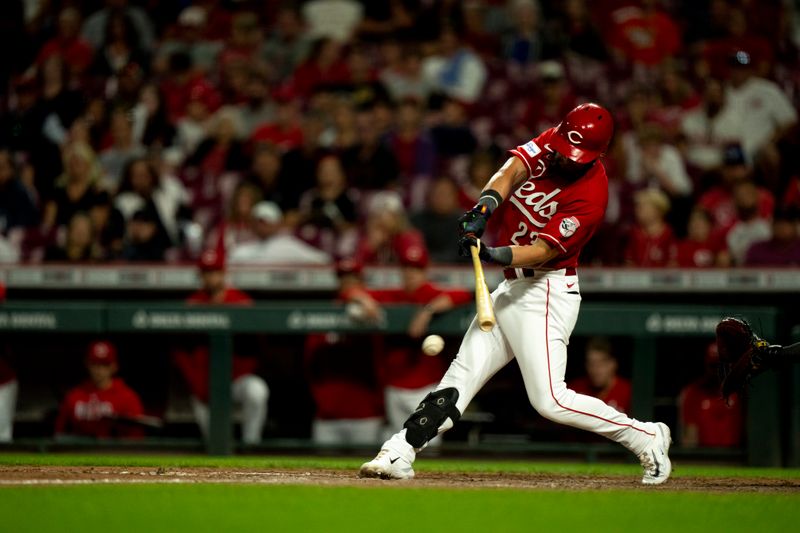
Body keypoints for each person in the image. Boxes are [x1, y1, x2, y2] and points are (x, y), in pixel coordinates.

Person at [359, 103, 672, 485]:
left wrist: (494, 253)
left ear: (599, 153)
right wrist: (484, 207)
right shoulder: (552, 143)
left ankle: (645, 435)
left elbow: (543, 251)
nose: (564, 157)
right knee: (460, 378)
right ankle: (399, 451)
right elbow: (511, 171)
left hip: (546, 291)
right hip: (512, 287)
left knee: (550, 401)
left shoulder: (592, 193)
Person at [344, 240, 472, 445]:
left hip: (427, 388)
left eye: (416, 268)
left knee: (429, 445)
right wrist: (364, 300)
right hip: (394, 386)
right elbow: (349, 292)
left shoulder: (430, 293)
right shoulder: (393, 295)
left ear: (424, 271)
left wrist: (427, 311)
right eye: (407, 268)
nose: (410, 273)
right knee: (399, 443)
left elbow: (463, 294)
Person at [172, 249, 269, 444]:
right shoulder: (192, 304)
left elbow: (257, 347)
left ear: (224, 273)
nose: (210, 277)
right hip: (203, 385)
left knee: (257, 390)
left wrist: (239, 373)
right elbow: (180, 352)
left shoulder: (241, 302)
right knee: (216, 446)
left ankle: (252, 445)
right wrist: (198, 384)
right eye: (206, 272)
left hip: (236, 381)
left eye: (214, 271)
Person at [55, 341, 145, 439]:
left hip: (115, 452)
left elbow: (137, 438)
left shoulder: (128, 397)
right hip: (81, 452)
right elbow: (59, 434)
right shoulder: (74, 396)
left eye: (104, 365)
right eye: (94, 364)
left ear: (114, 366)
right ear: (87, 364)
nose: (99, 370)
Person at [679, 343, 743, 448]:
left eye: (720, 365)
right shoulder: (693, 393)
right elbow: (690, 435)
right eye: (713, 366)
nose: (716, 371)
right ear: (706, 365)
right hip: (706, 457)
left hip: (735, 458)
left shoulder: (738, 391)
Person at [228, 201, 331, 265]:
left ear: (277, 223)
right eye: (258, 222)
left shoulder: (288, 245)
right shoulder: (242, 250)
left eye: (266, 222)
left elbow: (323, 260)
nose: (262, 226)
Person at [568, 337, 632, 415]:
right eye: (591, 363)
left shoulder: (627, 391)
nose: (595, 369)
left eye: (601, 363)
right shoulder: (575, 390)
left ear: (613, 364)